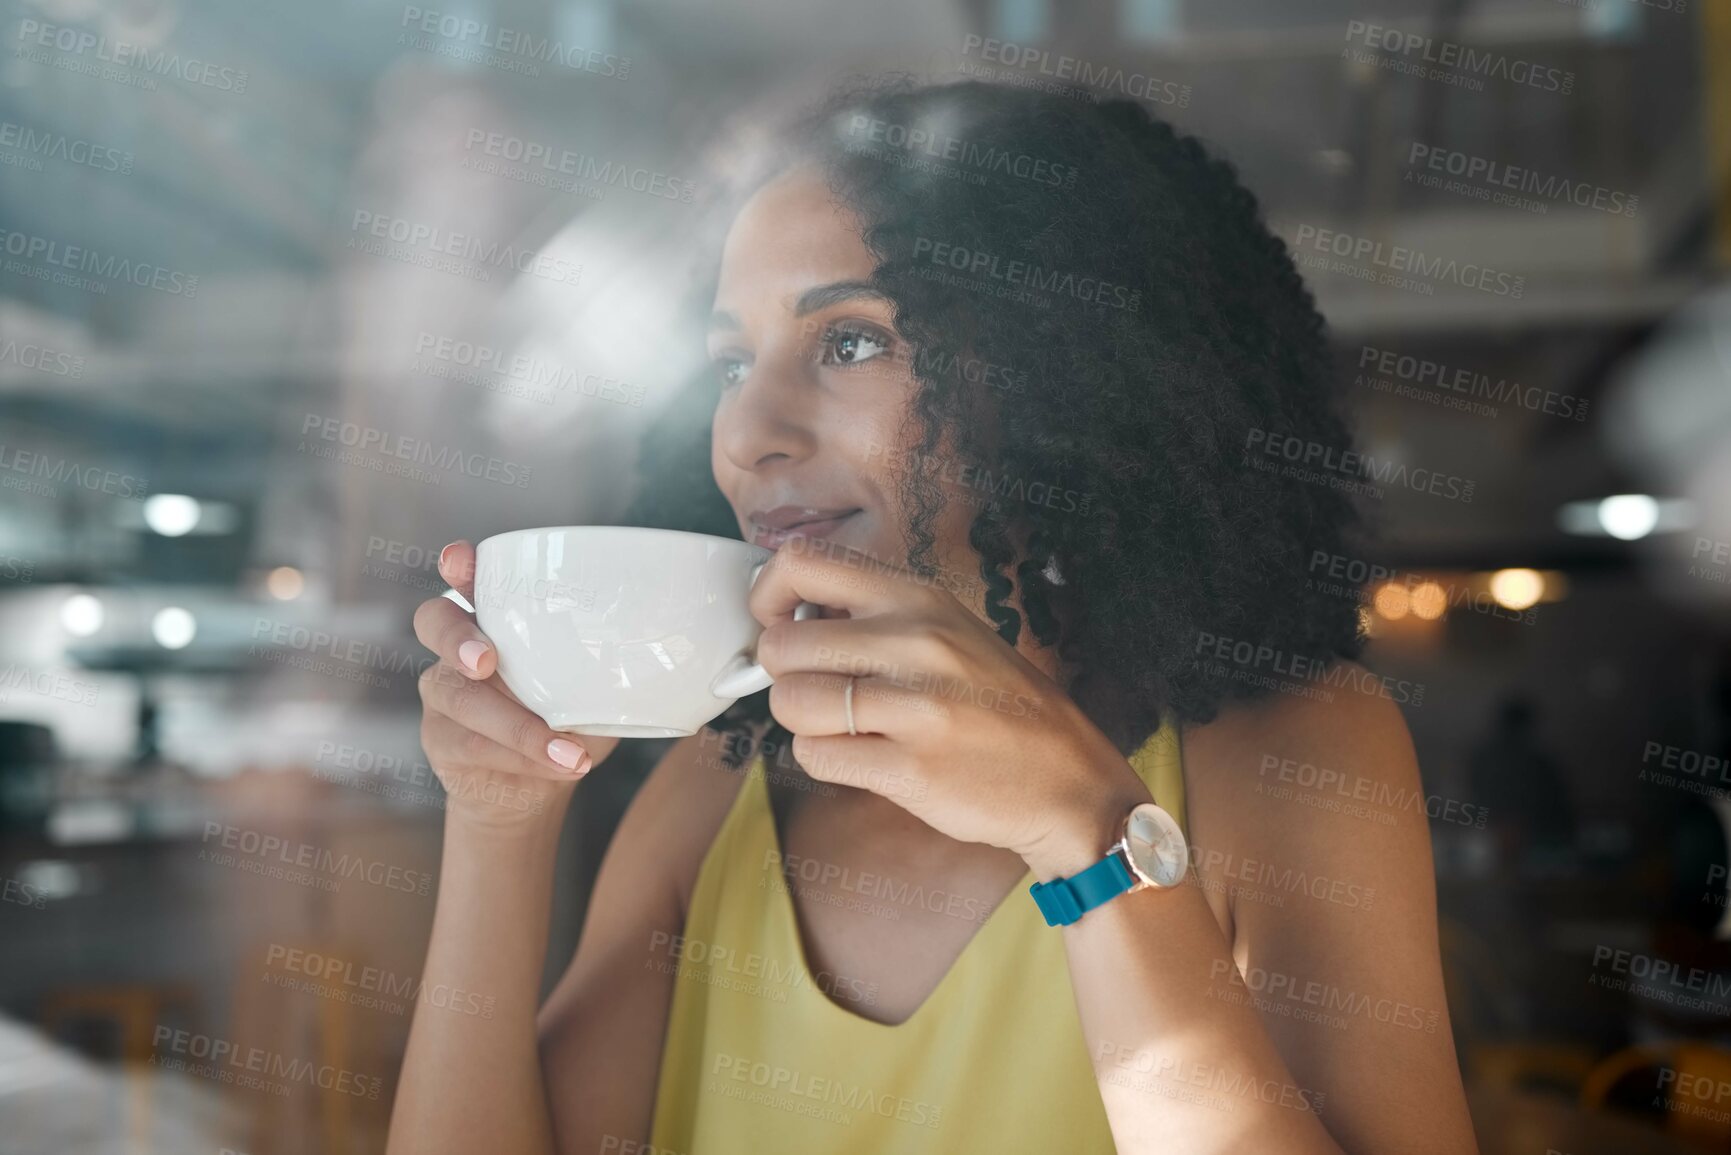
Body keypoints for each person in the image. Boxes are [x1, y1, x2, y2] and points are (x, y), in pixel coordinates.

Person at [388, 77, 1478, 1154]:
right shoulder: (716, 793)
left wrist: (1084, 833)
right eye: (731, 363)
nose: (747, 432)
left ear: (1067, 374)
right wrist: (496, 824)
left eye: (850, 340)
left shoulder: (1292, 754)